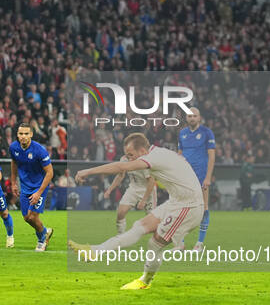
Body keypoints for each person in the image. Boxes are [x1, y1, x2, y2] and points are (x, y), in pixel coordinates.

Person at [70, 133, 204, 290]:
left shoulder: (154, 158)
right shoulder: (159, 152)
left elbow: (121, 167)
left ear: (142, 151)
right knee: (139, 226)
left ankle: (145, 281)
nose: (129, 159)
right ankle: (95, 251)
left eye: (131, 155)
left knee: (155, 243)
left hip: (188, 207)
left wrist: (87, 171)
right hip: (176, 202)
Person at [10, 123, 54, 252]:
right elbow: (14, 163)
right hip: (25, 187)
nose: (23, 137)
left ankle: (41, 241)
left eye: (26, 134)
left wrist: (39, 193)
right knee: (26, 218)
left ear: (31, 135)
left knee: (33, 217)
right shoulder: (13, 148)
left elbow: (50, 172)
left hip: (40, 186)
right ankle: (45, 232)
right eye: (21, 134)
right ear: (17, 135)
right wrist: (13, 182)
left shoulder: (39, 150)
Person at [178, 107, 215, 251]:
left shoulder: (206, 133)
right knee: (182, 208)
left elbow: (211, 156)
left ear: (199, 118)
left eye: (194, 116)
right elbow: (180, 154)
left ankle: (199, 243)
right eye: (189, 116)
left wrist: (208, 177)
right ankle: (180, 243)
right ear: (186, 118)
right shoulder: (182, 133)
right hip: (186, 177)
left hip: (201, 176)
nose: (192, 118)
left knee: (204, 209)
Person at [104, 155, 157, 234]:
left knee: (153, 222)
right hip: (133, 188)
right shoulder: (124, 159)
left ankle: (167, 238)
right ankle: (120, 237)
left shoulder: (144, 161)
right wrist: (109, 190)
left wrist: (144, 200)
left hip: (148, 190)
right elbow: (120, 175)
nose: (128, 154)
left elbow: (151, 181)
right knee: (121, 212)